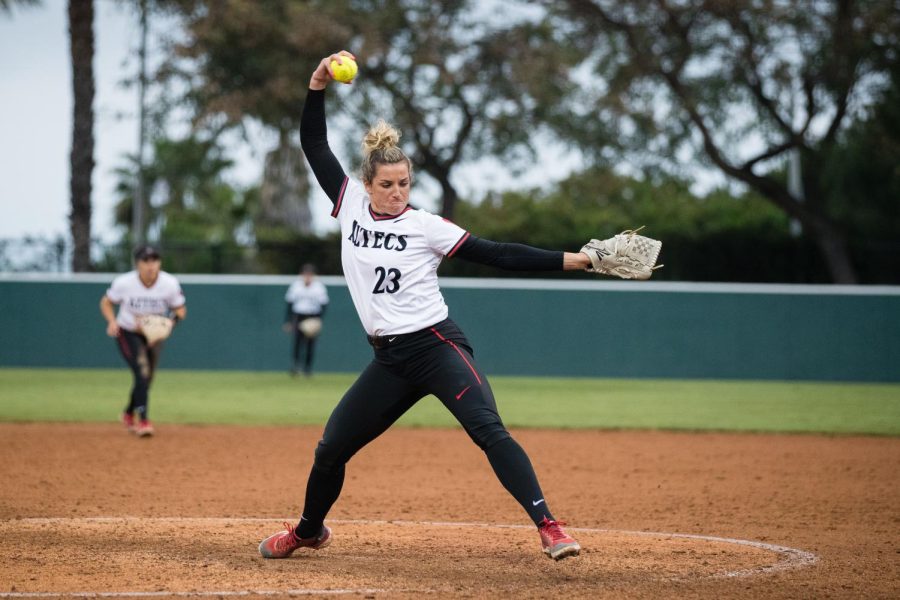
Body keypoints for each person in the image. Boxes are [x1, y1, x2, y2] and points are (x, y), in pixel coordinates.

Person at [258, 50, 598, 562]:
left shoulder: (426, 226)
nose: (397, 193)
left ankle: (549, 526)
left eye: (404, 184)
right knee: (331, 448)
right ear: (368, 184)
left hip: (436, 346)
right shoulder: (349, 201)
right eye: (387, 185)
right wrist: (316, 85)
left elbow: (498, 254)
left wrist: (579, 261)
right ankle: (308, 531)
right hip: (389, 361)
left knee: (488, 429)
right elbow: (313, 143)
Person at [100, 245, 186, 437]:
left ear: (159, 263)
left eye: (154, 260)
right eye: (145, 261)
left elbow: (180, 310)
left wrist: (169, 324)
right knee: (141, 371)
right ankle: (144, 421)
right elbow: (106, 302)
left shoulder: (169, 283)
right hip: (128, 331)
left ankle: (128, 412)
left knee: (147, 378)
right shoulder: (125, 283)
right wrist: (112, 321)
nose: (150, 265)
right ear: (137, 263)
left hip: (154, 336)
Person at [283, 263, 330, 376]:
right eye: (305, 274)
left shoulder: (319, 287)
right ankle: (295, 366)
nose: (307, 276)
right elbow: (289, 303)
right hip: (299, 316)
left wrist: (319, 320)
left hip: (312, 316)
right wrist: (288, 321)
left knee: (310, 344)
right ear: (302, 274)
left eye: (310, 274)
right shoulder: (296, 285)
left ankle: (307, 369)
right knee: (297, 343)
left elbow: (324, 304)